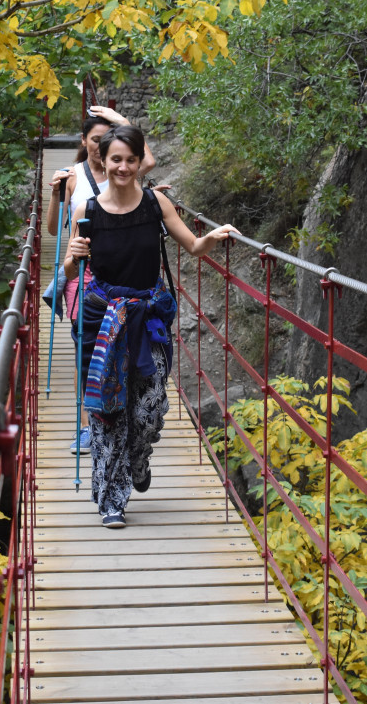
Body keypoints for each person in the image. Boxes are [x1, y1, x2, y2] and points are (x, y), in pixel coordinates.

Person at [63, 124, 238, 528]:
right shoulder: (86, 211)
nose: (123, 167)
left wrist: (213, 235)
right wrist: (72, 257)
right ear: (103, 163)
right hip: (103, 316)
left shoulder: (156, 204)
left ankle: (138, 459)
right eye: (115, 160)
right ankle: (111, 500)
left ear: (141, 162)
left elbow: (192, 247)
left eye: (130, 159)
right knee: (108, 411)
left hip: (149, 316)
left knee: (149, 409)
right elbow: (73, 269)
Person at [47, 105, 156, 454]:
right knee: (89, 347)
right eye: (94, 140)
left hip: (123, 276)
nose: (98, 146)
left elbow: (144, 160)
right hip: (85, 274)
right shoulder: (71, 176)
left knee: (117, 351)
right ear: (84, 141)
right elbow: (53, 230)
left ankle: (122, 417)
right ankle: (88, 423)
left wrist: (122, 121)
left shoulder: (123, 169)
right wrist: (54, 194)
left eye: (103, 140)